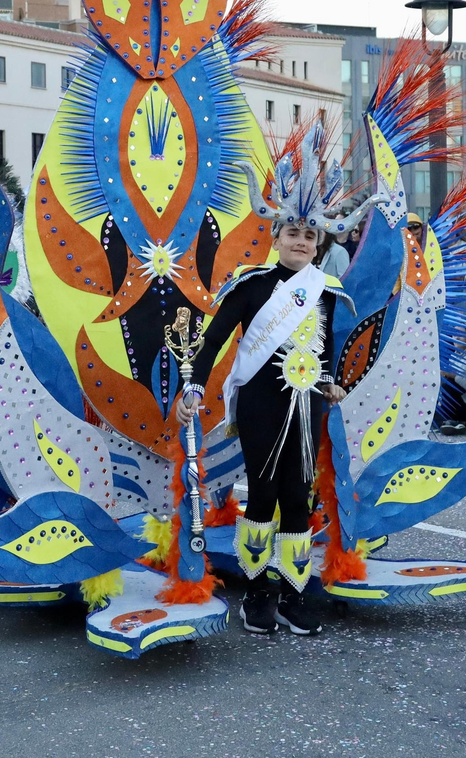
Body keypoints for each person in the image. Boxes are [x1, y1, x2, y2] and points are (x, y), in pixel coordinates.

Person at [179, 192, 361, 637]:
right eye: (293, 233)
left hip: (306, 403)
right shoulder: (250, 284)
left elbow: (324, 347)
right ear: (277, 237)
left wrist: (331, 381)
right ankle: (259, 593)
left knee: (299, 498)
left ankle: (294, 595)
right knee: (263, 495)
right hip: (262, 404)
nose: (301, 241)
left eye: (310, 235)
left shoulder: (325, 289)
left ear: (318, 244)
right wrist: (195, 386)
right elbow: (215, 337)